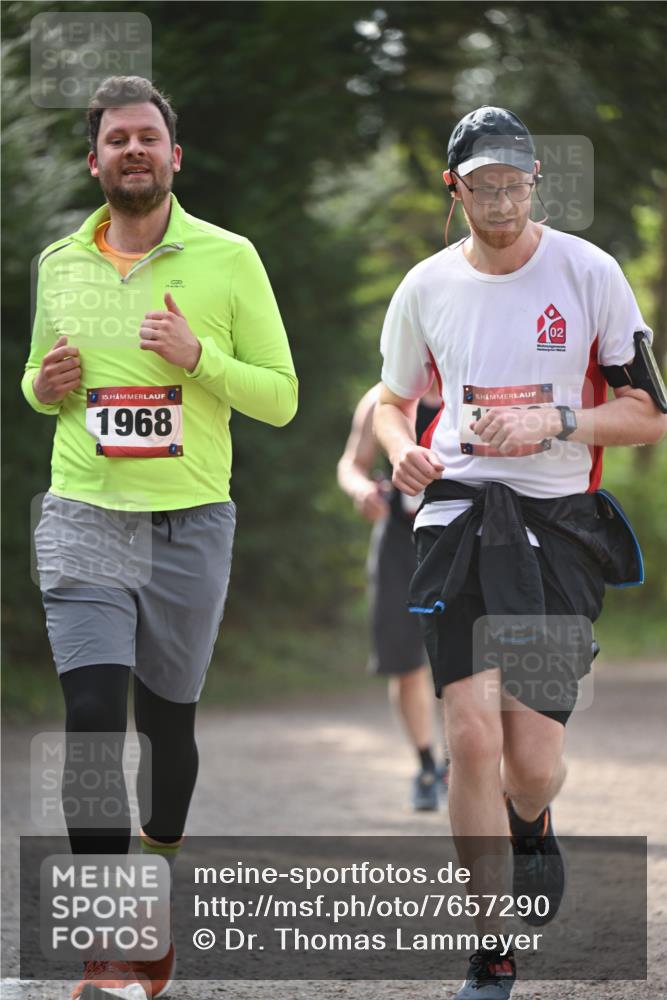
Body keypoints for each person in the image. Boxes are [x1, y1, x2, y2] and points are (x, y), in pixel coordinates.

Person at [373, 106, 665, 999]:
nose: (499, 197)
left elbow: (650, 415)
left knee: (529, 761)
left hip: (553, 531)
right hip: (455, 519)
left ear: (533, 180)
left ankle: (530, 824)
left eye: (514, 181)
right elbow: (390, 398)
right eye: (481, 183)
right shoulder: (424, 285)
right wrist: (399, 449)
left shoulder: (588, 272)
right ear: (454, 189)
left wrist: (556, 420)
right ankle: (488, 951)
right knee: (468, 737)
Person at [23, 76, 297, 1000]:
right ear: (94, 160)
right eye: (116, 140)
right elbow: (34, 379)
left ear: (174, 157)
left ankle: (159, 870)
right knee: (94, 726)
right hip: (84, 515)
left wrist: (199, 361)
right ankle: (109, 947)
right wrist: (45, 383)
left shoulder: (228, 259)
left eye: (147, 137)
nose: (131, 150)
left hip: (190, 523)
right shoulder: (60, 261)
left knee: (167, 722)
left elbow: (282, 396)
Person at [337, 382, 449, 811]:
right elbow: (351, 464)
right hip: (402, 543)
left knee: (471, 661)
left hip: (464, 539)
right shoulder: (381, 399)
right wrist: (361, 490)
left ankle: (460, 763)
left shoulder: (476, 390)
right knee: (405, 662)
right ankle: (426, 765)